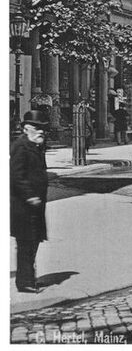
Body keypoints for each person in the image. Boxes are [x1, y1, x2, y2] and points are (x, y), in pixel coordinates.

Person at [11, 111, 50, 293]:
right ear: (26, 128)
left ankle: (29, 279)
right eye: (37, 127)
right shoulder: (21, 147)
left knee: (33, 242)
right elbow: (16, 176)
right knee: (26, 243)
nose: (41, 130)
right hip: (24, 206)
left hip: (34, 205)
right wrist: (29, 196)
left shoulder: (36, 145)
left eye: (42, 127)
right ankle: (24, 282)